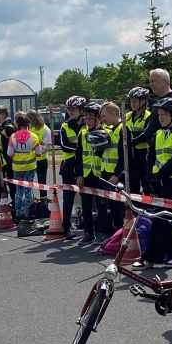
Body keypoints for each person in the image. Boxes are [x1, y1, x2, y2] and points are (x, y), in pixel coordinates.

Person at [136, 97, 172, 268]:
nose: (161, 118)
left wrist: (159, 176)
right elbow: (151, 157)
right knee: (164, 218)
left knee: (161, 218)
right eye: (159, 115)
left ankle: (152, 257)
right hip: (158, 181)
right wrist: (151, 176)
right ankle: (169, 256)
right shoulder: (159, 133)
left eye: (164, 114)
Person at [98, 102, 132, 238]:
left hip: (116, 175)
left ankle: (121, 234)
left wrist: (116, 174)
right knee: (111, 206)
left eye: (104, 116)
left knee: (118, 207)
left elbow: (125, 155)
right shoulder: (109, 130)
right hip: (106, 172)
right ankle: (115, 233)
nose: (102, 119)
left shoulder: (123, 129)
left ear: (113, 114)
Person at [75, 102, 104, 245]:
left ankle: (101, 232)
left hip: (99, 175)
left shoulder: (105, 132)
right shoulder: (83, 132)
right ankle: (88, 232)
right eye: (86, 117)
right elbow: (79, 155)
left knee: (101, 205)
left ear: (99, 118)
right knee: (86, 205)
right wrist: (79, 175)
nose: (88, 120)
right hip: (86, 174)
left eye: (91, 117)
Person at [6, 112, 41, 226]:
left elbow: (9, 153)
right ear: (28, 124)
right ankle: (28, 214)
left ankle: (18, 215)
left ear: (17, 124)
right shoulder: (33, 136)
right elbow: (39, 153)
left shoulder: (13, 136)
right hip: (30, 166)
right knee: (28, 190)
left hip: (17, 167)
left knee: (19, 191)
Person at [60, 96, 86, 239]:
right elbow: (64, 145)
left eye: (74, 109)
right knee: (68, 197)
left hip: (84, 164)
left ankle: (88, 226)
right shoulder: (65, 125)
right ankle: (66, 228)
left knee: (86, 197)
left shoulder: (87, 125)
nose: (71, 112)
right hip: (69, 166)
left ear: (81, 110)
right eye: (69, 109)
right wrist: (80, 149)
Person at [126, 88, 151, 195]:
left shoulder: (149, 116)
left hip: (143, 156)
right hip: (131, 157)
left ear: (143, 101)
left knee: (146, 186)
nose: (132, 104)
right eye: (131, 101)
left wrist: (132, 140)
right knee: (133, 187)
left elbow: (146, 135)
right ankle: (134, 210)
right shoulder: (126, 116)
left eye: (135, 101)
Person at [28, 110, 53, 199]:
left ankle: (43, 204)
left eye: (30, 119)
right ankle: (31, 203)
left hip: (41, 160)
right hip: (30, 161)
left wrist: (35, 148)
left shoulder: (45, 129)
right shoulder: (29, 128)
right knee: (28, 183)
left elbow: (48, 147)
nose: (29, 122)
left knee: (41, 184)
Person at [0, 106, 16, 204]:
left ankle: (14, 200)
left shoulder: (8, 126)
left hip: (9, 157)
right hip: (3, 156)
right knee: (3, 181)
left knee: (11, 181)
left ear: (4, 114)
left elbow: (10, 139)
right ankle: (5, 201)